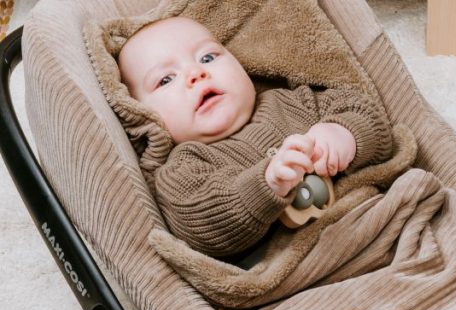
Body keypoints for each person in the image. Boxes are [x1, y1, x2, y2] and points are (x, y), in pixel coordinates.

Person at [117, 15, 395, 257]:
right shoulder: (182, 169)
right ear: (144, 116)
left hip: (377, 223)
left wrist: (343, 133)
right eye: (166, 79)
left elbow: (366, 112)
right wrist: (265, 185)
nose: (196, 73)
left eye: (208, 57)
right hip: (303, 280)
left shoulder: (291, 102)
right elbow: (202, 226)